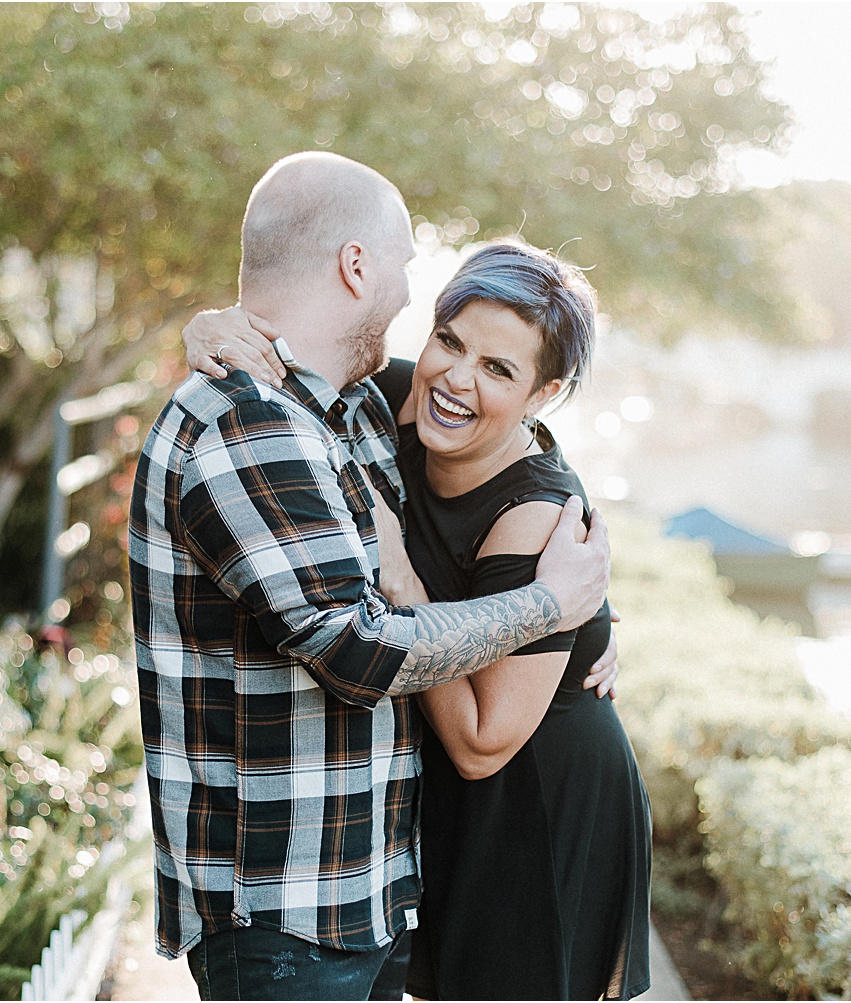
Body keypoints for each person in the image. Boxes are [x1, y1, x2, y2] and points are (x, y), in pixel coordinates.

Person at [128, 152, 613, 1002]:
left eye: (496, 366)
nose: (406, 296)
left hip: (374, 886)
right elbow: (357, 648)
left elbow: (536, 477)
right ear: (357, 264)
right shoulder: (255, 422)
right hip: (286, 911)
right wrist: (547, 607)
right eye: (405, 270)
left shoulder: (350, 402)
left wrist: (590, 617)